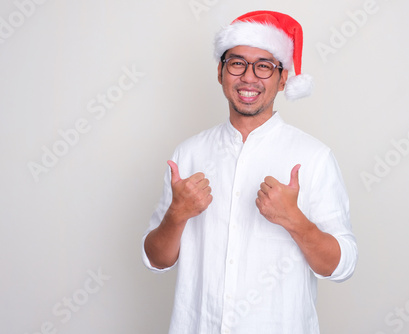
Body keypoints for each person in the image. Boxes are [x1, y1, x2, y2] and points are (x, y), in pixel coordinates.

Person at [142, 10, 357, 334]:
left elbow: (343, 266)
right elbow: (156, 259)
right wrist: (176, 214)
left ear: (283, 78)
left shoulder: (314, 157)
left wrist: (293, 219)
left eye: (264, 66)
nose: (249, 77)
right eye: (237, 63)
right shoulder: (188, 154)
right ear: (221, 71)